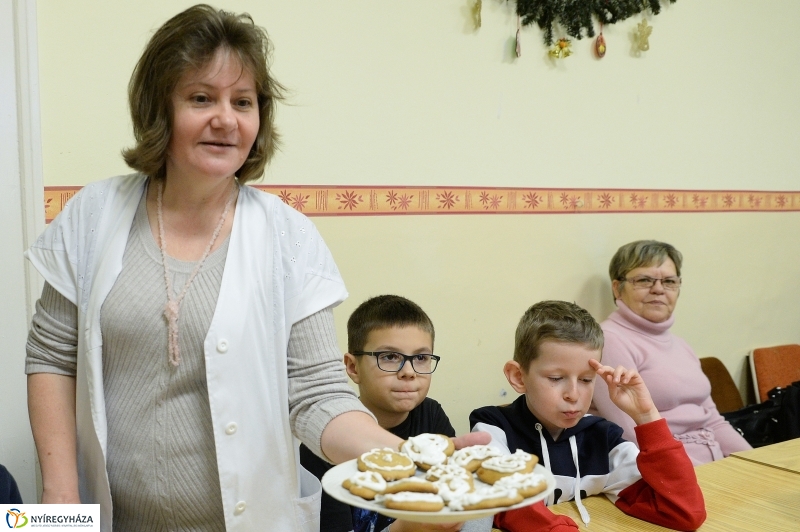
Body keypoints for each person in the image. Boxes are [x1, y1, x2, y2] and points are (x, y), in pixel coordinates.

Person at [23, 6, 485, 531]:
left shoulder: (288, 236)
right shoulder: (93, 214)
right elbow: (52, 355)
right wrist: (57, 501)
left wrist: (407, 459)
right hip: (108, 518)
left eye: (242, 102)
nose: (226, 118)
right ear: (159, 108)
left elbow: (316, 396)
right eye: (201, 98)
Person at [470, 301, 706, 532]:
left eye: (586, 379)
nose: (573, 395)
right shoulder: (491, 428)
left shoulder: (603, 438)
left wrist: (647, 416)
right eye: (555, 378)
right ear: (519, 377)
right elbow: (503, 500)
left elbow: (684, 512)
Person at [300, 295, 491, 532]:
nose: (409, 372)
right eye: (390, 357)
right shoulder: (323, 440)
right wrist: (406, 528)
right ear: (352, 367)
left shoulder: (430, 414)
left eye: (421, 358)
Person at [589, 240, 751, 465]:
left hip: (714, 464)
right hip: (667, 471)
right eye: (644, 280)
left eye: (669, 281)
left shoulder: (680, 344)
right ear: (617, 288)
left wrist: (756, 462)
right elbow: (631, 436)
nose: (658, 289)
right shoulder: (609, 341)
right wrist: (708, 475)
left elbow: (714, 422)